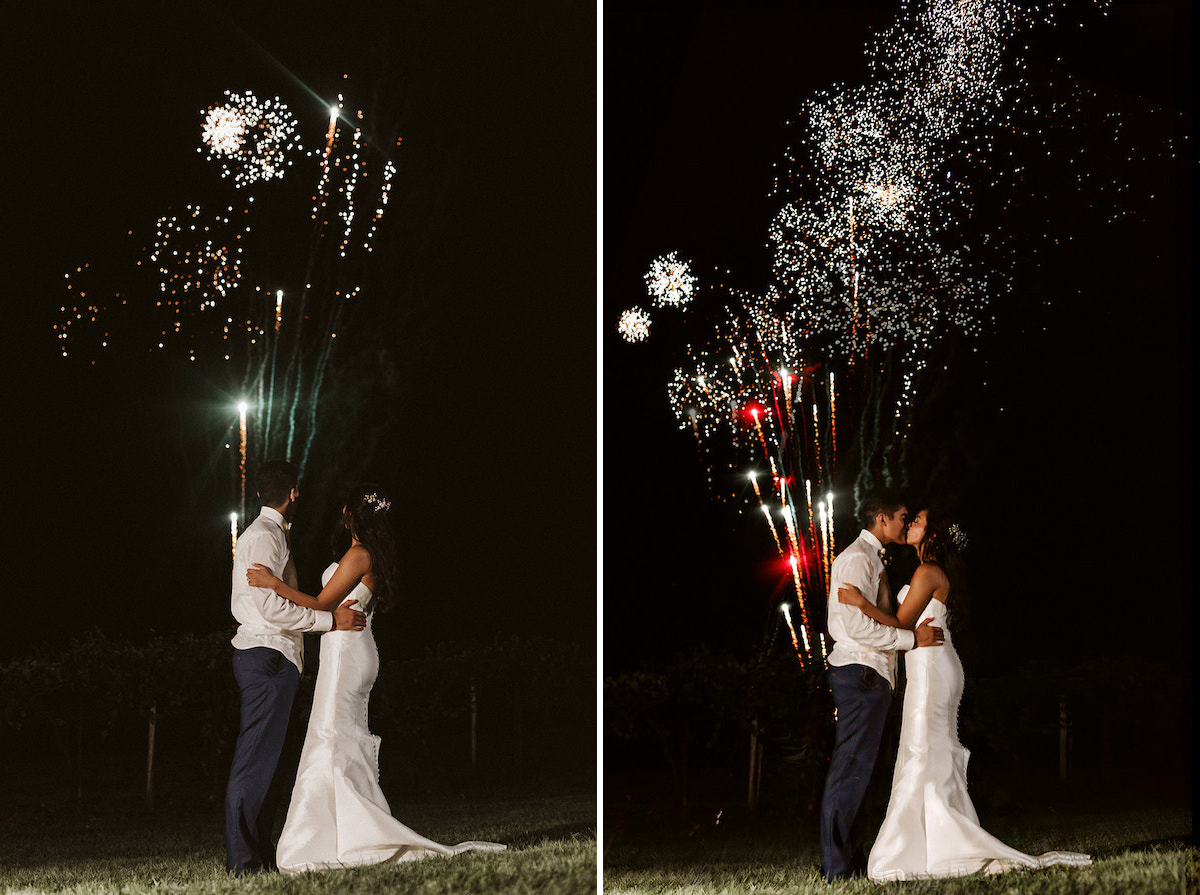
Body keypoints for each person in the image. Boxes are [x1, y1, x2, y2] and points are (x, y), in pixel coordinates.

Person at [245, 483, 505, 873]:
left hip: (347, 652)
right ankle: (339, 832)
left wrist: (274, 585)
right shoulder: (372, 555)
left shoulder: (359, 554)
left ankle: (324, 839)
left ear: (351, 515)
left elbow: (321, 604)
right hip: (354, 648)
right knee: (339, 739)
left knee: (331, 738)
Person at [838, 508, 1091, 880]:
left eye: (918, 521)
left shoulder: (928, 572)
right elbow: (902, 616)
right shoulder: (927, 572)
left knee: (923, 750)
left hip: (932, 669)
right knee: (925, 749)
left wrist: (861, 604)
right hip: (930, 664)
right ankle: (928, 844)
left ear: (933, 535)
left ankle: (919, 847)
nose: (910, 525)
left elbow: (902, 623)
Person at [226, 459, 367, 876]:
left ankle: (258, 853)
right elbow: (270, 608)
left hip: (272, 658)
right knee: (254, 762)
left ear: (258, 494)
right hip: (266, 656)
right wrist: (329, 622)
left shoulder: (268, 533)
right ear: (294, 493)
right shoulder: (265, 536)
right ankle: (243, 862)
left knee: (266, 762)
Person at [819, 492, 945, 883]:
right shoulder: (858, 558)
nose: (906, 524)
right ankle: (836, 868)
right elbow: (856, 627)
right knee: (850, 771)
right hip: (862, 672)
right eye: (902, 517)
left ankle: (849, 859)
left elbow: (879, 616)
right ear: (881, 518)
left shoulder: (873, 559)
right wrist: (911, 641)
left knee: (861, 771)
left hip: (871, 675)